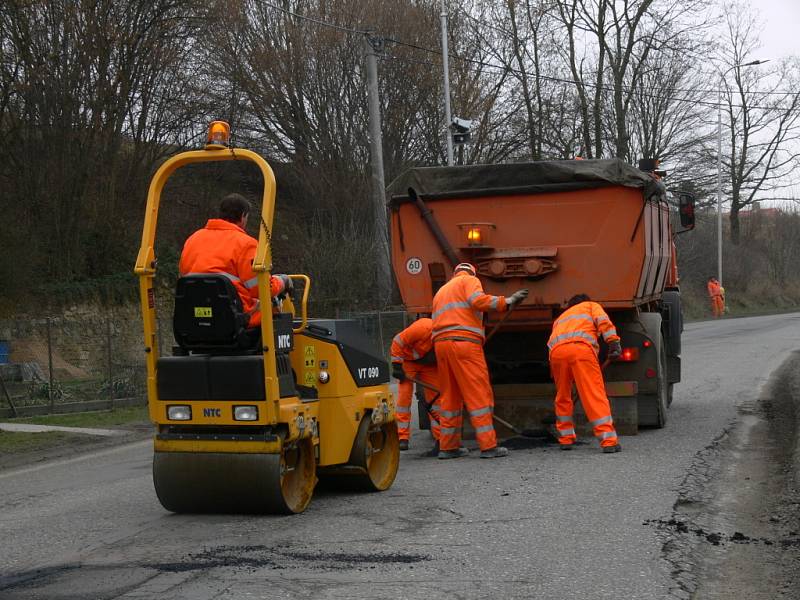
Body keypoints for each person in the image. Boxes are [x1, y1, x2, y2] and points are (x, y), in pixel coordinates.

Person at [431, 262, 528, 459]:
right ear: (471, 272)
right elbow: (478, 301)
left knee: (450, 397)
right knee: (478, 394)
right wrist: (506, 301)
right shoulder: (469, 280)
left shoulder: (441, 291)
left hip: (441, 346)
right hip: (464, 343)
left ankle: (448, 447)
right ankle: (488, 446)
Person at [179, 193, 291, 327]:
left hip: (193, 318)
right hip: (234, 321)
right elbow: (262, 289)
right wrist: (282, 281)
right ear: (243, 216)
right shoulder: (246, 244)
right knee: (274, 305)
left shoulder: (192, 240)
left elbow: (183, 278)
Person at [547, 294, 622, 453]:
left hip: (556, 354)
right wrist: (613, 343)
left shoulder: (561, 318)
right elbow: (603, 322)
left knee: (563, 395)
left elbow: (552, 342)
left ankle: (565, 439)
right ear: (585, 300)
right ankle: (608, 440)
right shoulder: (590, 305)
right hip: (581, 350)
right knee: (593, 394)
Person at [390, 317, 440, 454]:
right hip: (408, 362)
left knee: (436, 400)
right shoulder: (422, 328)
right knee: (404, 399)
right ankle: (402, 437)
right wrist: (397, 366)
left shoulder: (446, 338)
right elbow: (397, 341)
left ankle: (441, 437)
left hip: (429, 365)